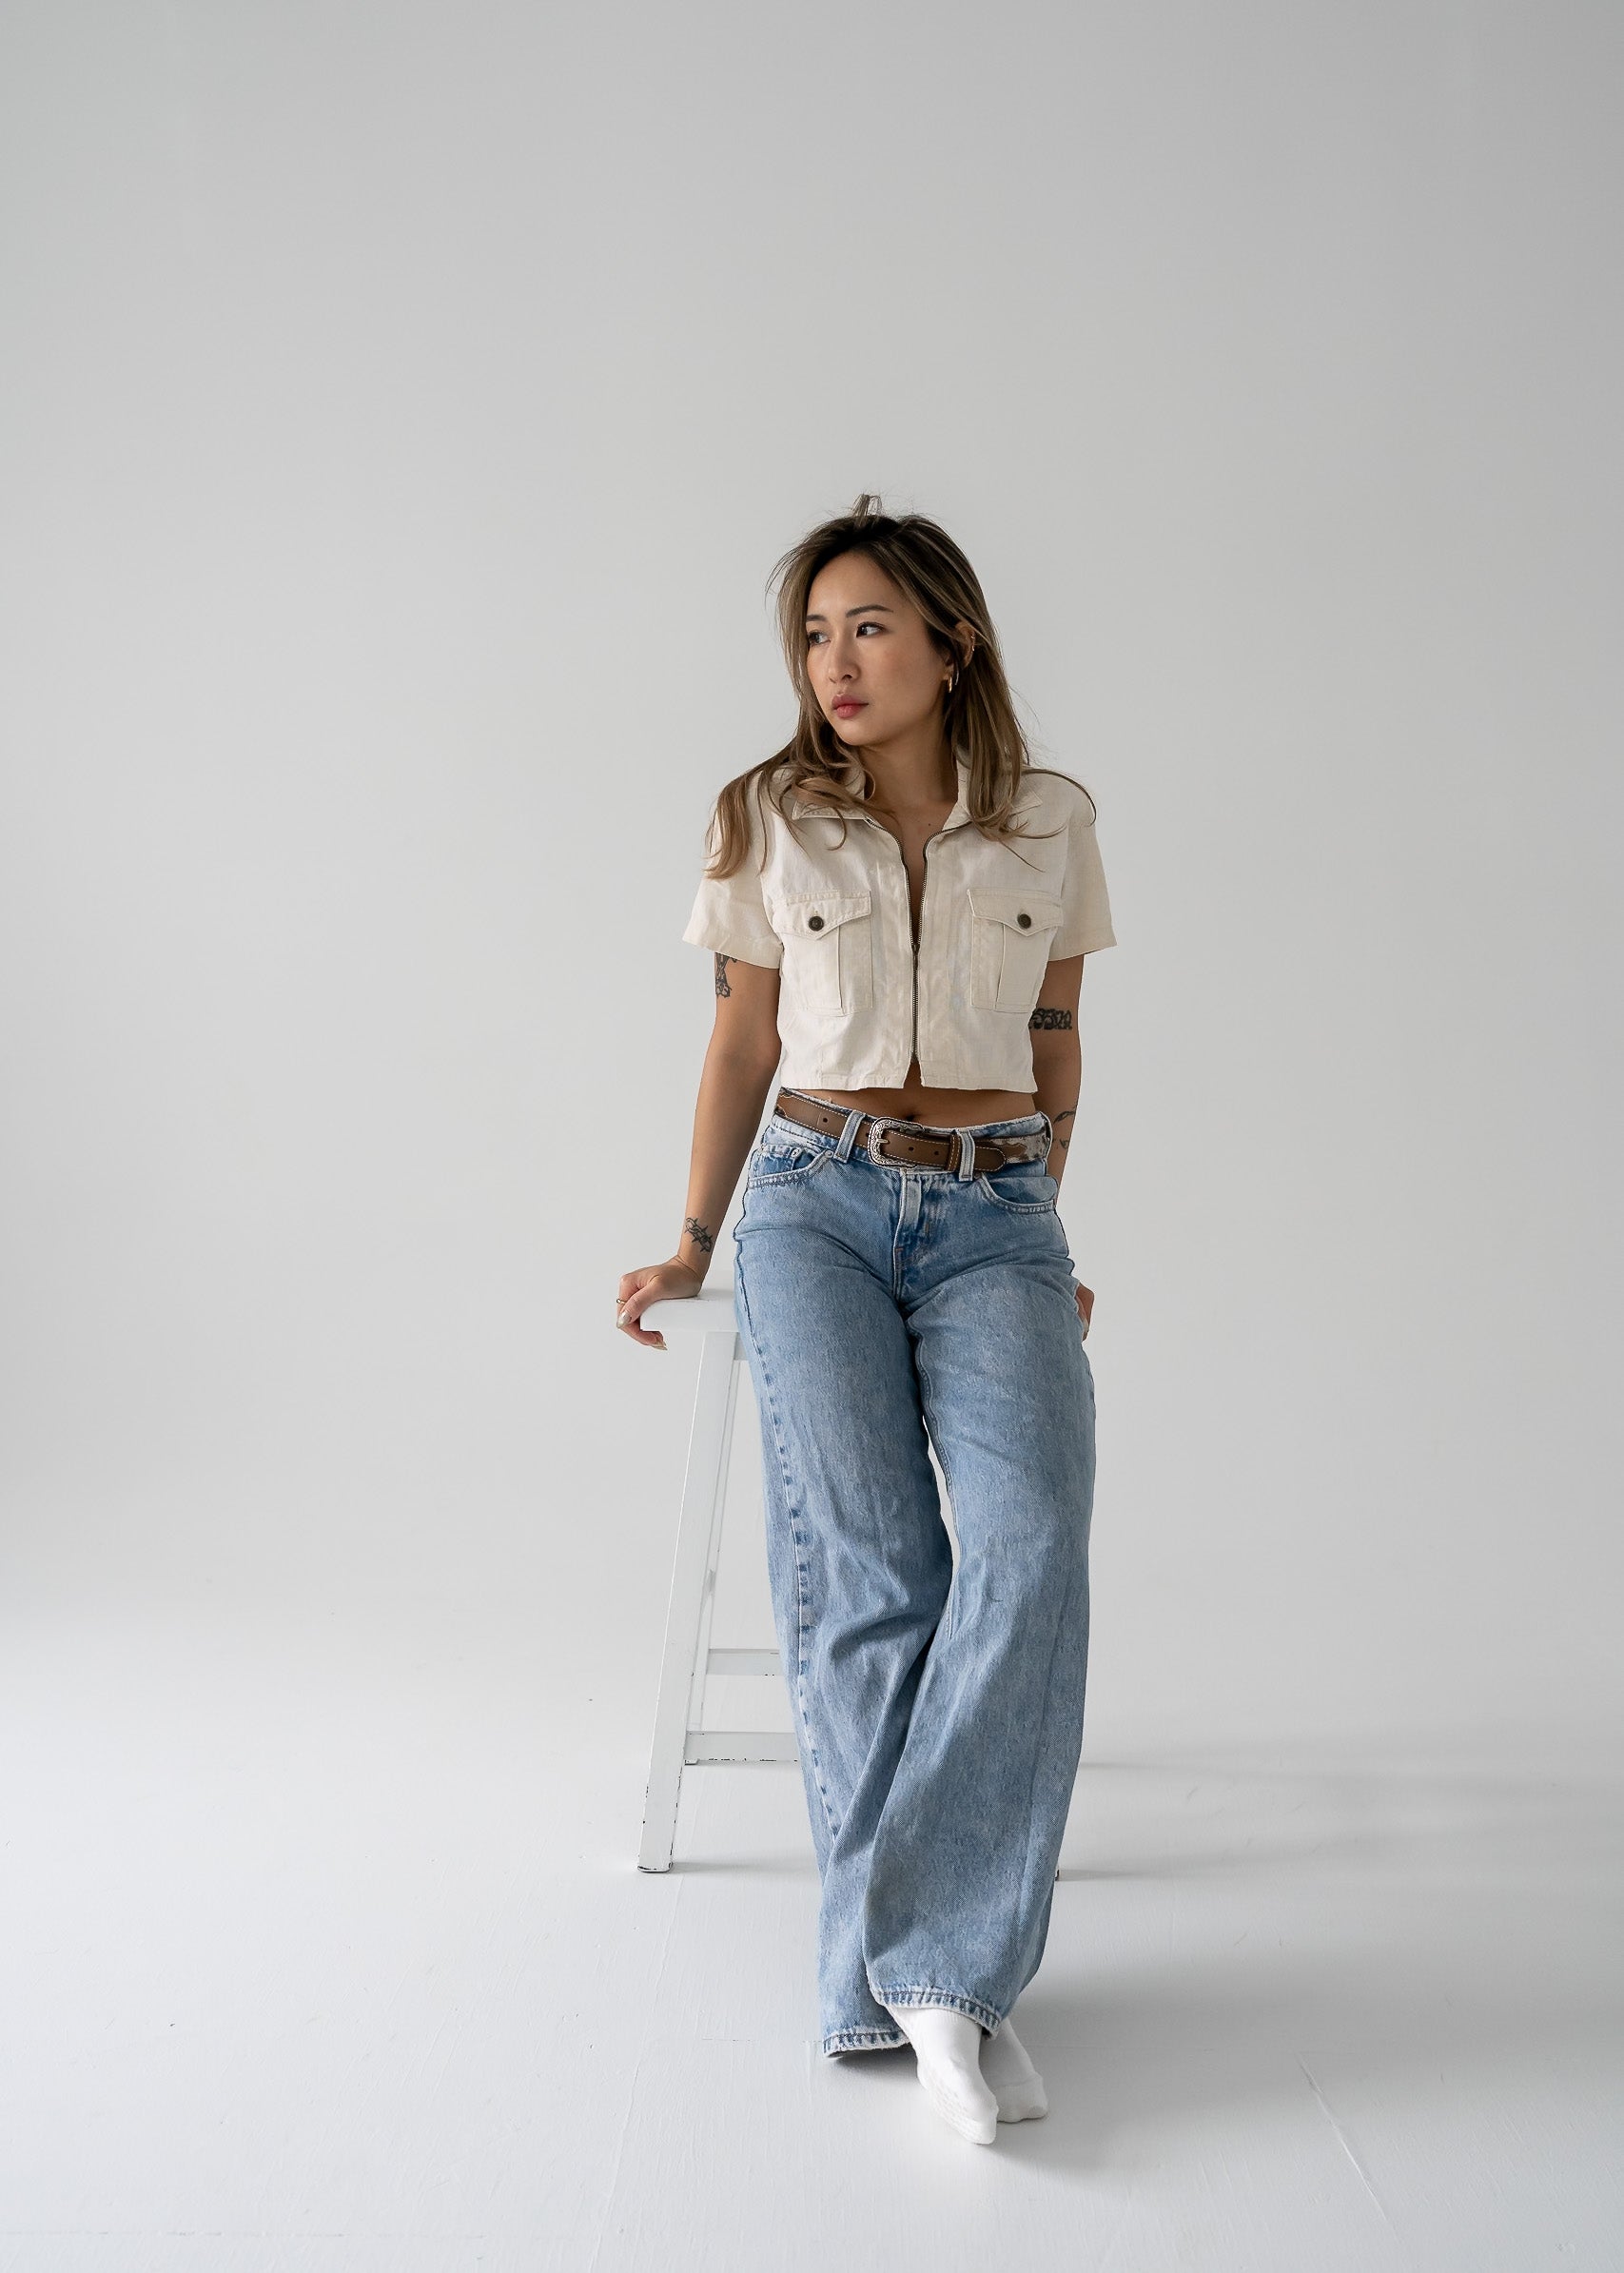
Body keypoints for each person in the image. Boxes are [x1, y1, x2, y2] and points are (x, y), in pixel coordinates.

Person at [616, 494, 1117, 2146]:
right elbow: (741, 1046)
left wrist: (1040, 1234)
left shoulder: (1049, 820)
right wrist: (693, 1240)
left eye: (870, 626)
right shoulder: (764, 815)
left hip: (996, 1209)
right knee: (872, 1568)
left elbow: (1055, 1044)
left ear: (951, 640)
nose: (836, 661)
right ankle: (941, 1987)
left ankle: (921, 1975)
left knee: (1030, 1541)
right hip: (813, 1203)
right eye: (817, 634)